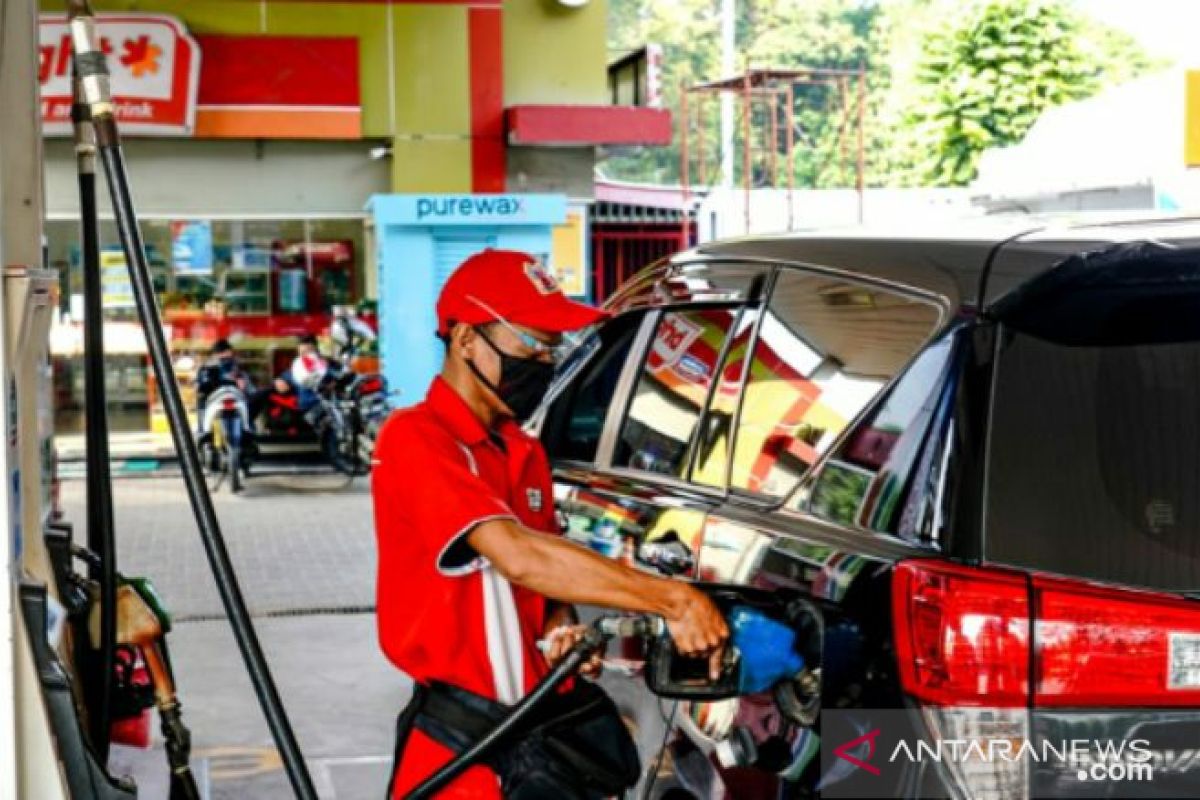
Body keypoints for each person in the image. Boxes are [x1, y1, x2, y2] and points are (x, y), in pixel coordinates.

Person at [372, 249, 729, 798]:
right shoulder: (416, 439)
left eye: (552, 348)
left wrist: (557, 625)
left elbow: (538, 574)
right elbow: (517, 554)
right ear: (466, 339)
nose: (545, 361)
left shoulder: (523, 451)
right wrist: (672, 599)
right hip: (464, 746)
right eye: (532, 345)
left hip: (536, 734)